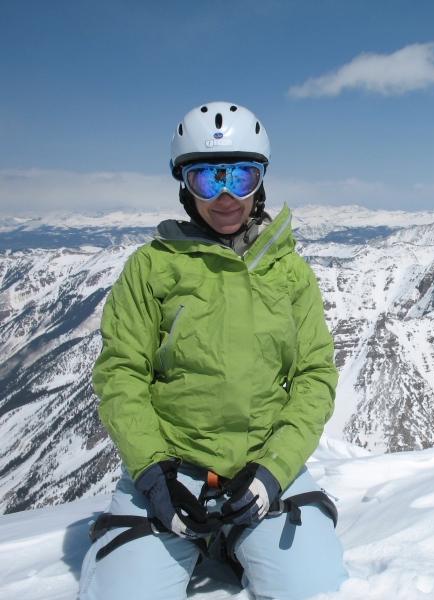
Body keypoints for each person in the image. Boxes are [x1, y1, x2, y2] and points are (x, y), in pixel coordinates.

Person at [78, 102, 348, 600]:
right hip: (170, 469)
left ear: (261, 182)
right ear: (185, 186)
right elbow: (121, 375)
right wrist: (155, 474)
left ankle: (229, 539)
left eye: (241, 177)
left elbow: (314, 377)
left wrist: (273, 472)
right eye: (207, 179)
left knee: (313, 591)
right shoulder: (151, 268)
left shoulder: (291, 273)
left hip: (264, 468)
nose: (225, 196)